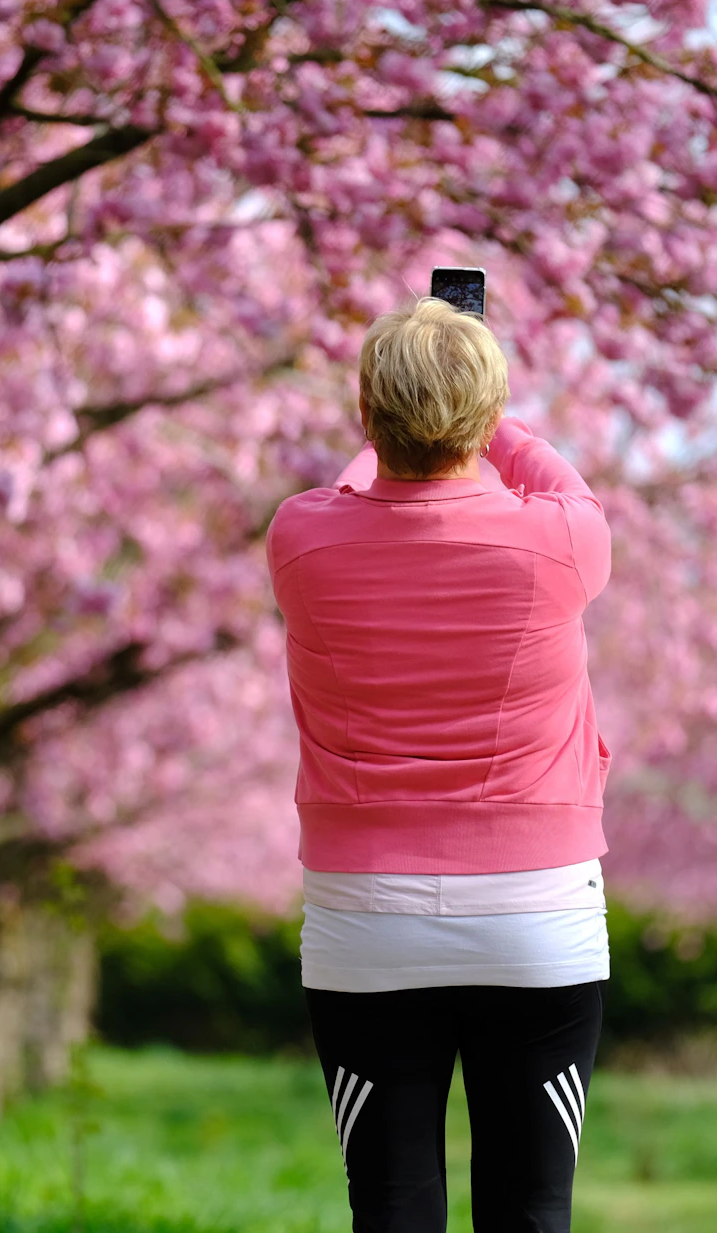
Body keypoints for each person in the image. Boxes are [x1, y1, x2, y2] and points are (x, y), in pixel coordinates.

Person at [267, 297, 613, 1232]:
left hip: (366, 922)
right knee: (533, 1209)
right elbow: (558, 480)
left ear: (367, 417)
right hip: (539, 920)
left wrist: (397, 426)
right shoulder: (563, 543)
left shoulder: (302, 540)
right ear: (488, 416)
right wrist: (487, 412)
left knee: (389, 1208)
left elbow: (351, 492)